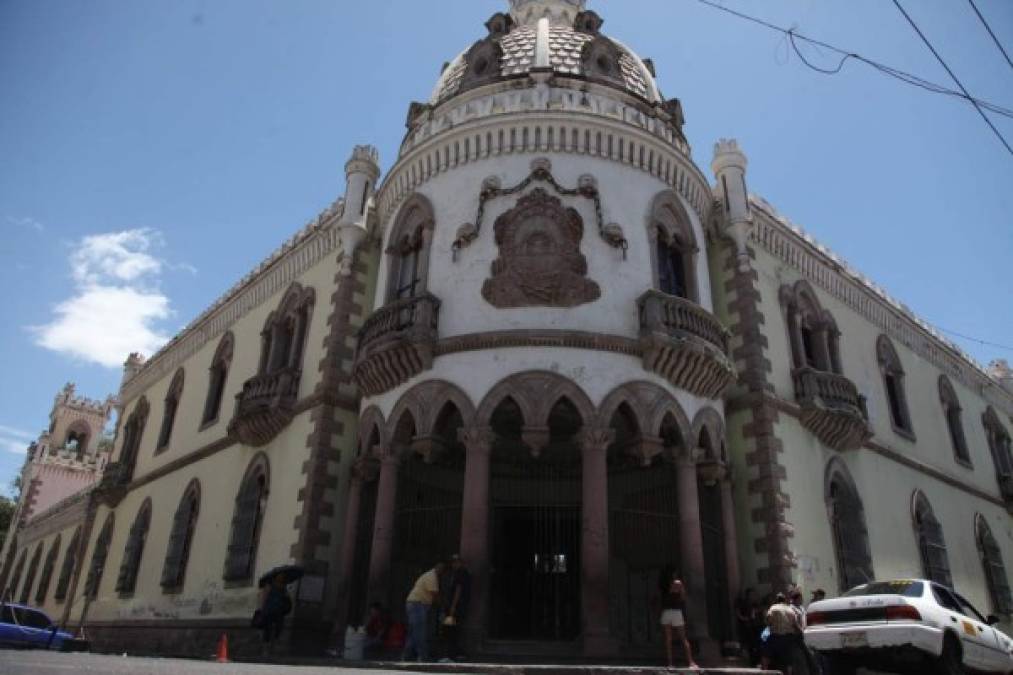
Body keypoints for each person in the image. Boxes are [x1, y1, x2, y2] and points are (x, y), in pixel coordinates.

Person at [403, 561, 445, 662]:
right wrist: (443, 606)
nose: (442, 572)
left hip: (413, 603)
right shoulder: (432, 576)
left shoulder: (429, 575)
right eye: (442, 569)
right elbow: (434, 593)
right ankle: (423, 656)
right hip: (417, 604)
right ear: (438, 568)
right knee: (419, 631)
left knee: (413, 631)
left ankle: (407, 655)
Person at [658, 569, 699, 669]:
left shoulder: (664, 585)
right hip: (676, 611)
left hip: (666, 611)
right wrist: (681, 588)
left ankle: (670, 663)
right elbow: (683, 597)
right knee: (683, 638)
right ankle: (691, 662)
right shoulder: (677, 583)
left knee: (668, 639)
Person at [764, 592, 802, 675]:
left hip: (775, 636)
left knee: (766, 654)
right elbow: (795, 625)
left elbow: (768, 621)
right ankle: (789, 673)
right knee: (788, 660)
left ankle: (764, 670)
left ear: (776, 600)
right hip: (788, 638)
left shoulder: (773, 608)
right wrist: (801, 633)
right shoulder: (790, 610)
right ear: (785, 601)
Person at [441, 554, 471, 661]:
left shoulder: (461, 573)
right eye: (453, 562)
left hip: (457, 607)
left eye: (456, 562)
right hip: (459, 607)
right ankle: (459, 654)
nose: (454, 564)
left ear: (460, 563)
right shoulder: (463, 573)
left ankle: (450, 655)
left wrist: (453, 606)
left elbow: (458, 590)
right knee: (455, 630)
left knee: (451, 630)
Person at [257, 573, 293, 654]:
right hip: (269, 610)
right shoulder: (269, 585)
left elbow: (287, 599)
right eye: (280, 576)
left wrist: (287, 593)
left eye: (282, 577)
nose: (281, 578)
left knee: (279, 628)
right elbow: (264, 597)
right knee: (268, 629)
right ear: (275, 577)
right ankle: (266, 648)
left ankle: (273, 646)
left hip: (279, 611)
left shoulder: (284, 587)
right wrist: (262, 609)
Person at [735, 587, 760, 665]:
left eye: (754, 594)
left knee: (755, 644)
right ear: (748, 595)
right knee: (748, 644)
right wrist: (745, 619)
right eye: (752, 594)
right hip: (746, 626)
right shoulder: (743, 603)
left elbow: (756, 614)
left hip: (754, 626)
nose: (753, 596)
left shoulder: (755, 604)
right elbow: (738, 613)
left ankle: (755, 661)